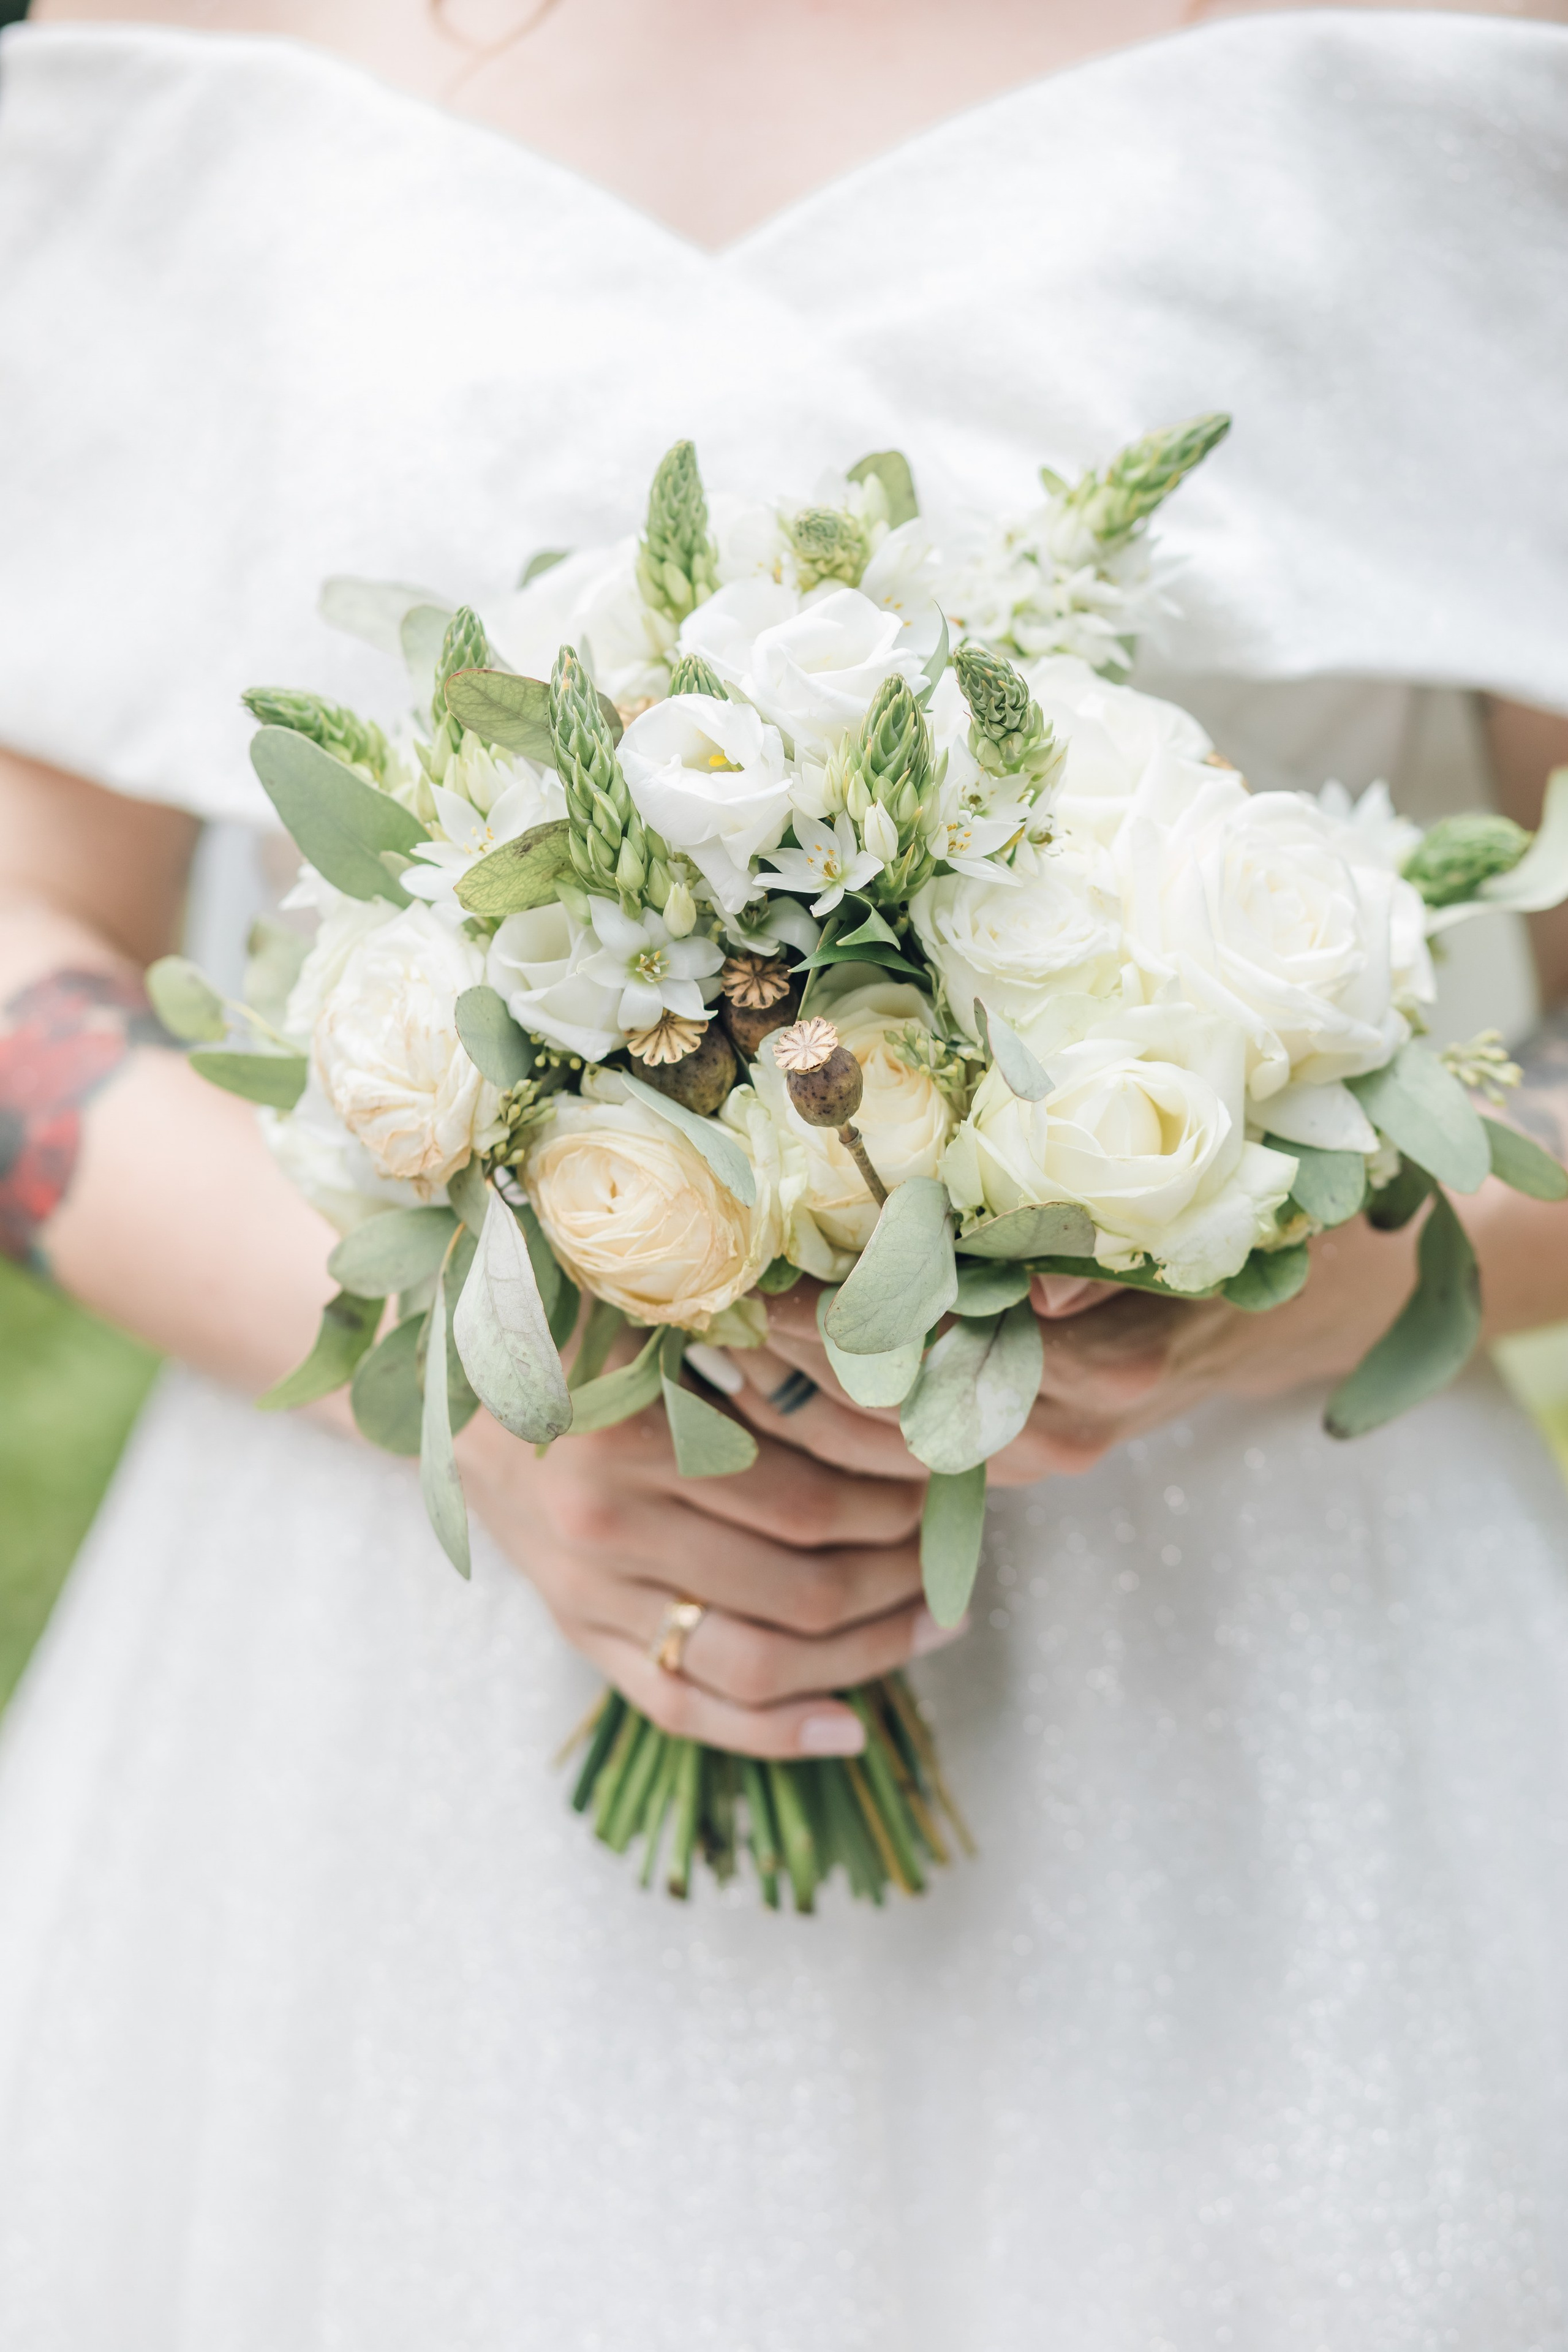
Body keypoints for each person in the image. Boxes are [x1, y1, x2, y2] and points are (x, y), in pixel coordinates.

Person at [0, 1, 1566, 2342]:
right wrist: (473, 1385)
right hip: (387, 1670)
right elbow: (35, 936)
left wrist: (1301, 1274)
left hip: (1264, 1671)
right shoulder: (175, 25)